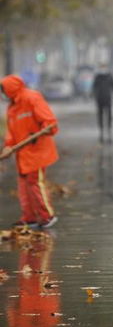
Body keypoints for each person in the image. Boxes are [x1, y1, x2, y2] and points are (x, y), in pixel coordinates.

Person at [0, 75, 59, 228]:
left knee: (35, 183)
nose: (3, 94)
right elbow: (11, 131)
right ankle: (30, 217)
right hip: (22, 153)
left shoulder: (32, 98)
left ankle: (47, 216)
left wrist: (44, 129)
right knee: (24, 186)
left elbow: (49, 122)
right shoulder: (12, 107)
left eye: (3, 90)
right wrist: (8, 146)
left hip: (37, 151)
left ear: (9, 89)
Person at [92, 64, 113, 143]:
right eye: (102, 67)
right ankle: (101, 132)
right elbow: (94, 87)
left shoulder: (109, 76)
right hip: (99, 99)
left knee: (109, 116)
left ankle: (109, 131)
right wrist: (93, 94)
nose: (103, 68)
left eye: (104, 67)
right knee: (100, 116)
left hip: (108, 99)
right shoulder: (97, 77)